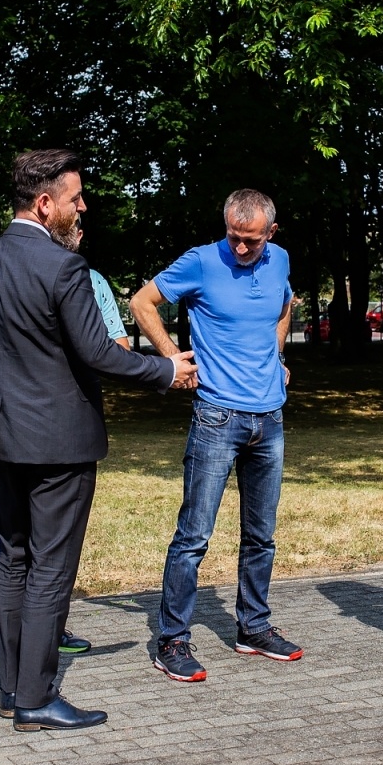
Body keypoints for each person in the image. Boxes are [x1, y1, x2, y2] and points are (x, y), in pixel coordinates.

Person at [0, 148, 197, 731]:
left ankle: (11, 689)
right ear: (44, 203)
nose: (82, 206)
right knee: (51, 569)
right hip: (59, 442)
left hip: (3, 436)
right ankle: (34, 698)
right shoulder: (64, 269)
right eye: (75, 198)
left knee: (12, 561)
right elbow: (96, 352)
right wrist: (168, 372)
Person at [129, 190, 296, 682]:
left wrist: (278, 356)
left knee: (261, 535)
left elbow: (285, 306)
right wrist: (173, 358)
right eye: (234, 238)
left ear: (271, 233)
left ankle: (254, 627)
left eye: (251, 241)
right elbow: (142, 301)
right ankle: (172, 640)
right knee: (194, 536)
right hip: (217, 418)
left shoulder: (280, 259)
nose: (241, 249)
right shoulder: (201, 262)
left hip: (270, 419)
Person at [0, 266, 127, 667]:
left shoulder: (92, 281)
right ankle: (0, 632)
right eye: (73, 206)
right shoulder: (4, 272)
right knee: (5, 541)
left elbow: (118, 348)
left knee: (51, 547)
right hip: (11, 432)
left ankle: (47, 628)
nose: (78, 222)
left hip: (64, 431)